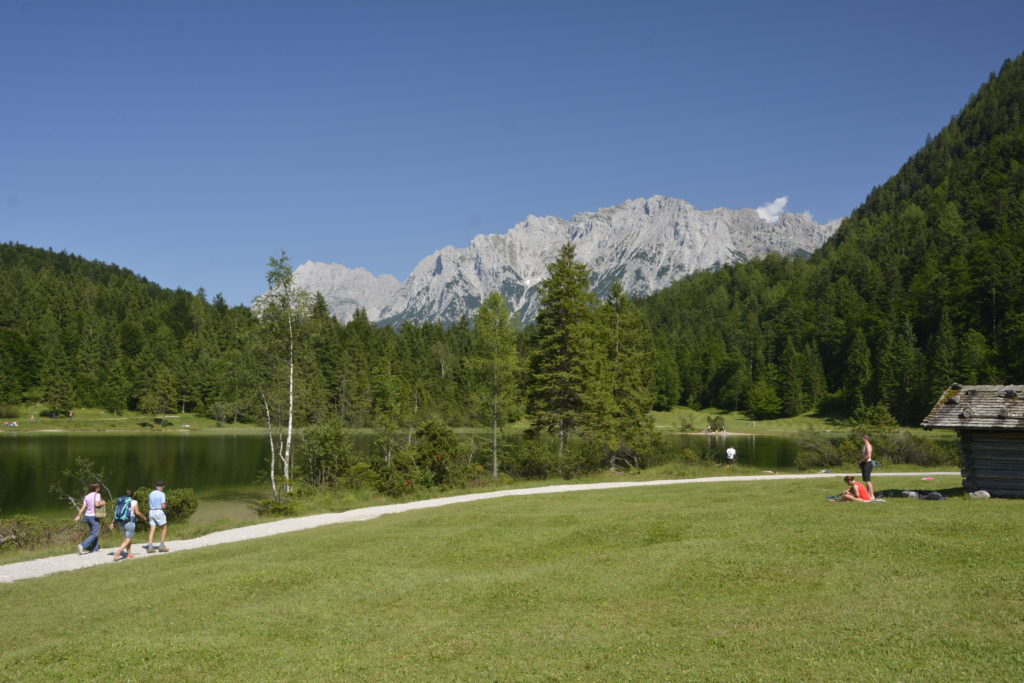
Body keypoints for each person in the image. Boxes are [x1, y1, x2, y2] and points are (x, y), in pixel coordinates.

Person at [109, 489, 145, 561]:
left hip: (121, 522)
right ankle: (118, 553)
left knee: (127, 538)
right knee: (128, 539)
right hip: (130, 522)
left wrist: (113, 522)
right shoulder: (134, 502)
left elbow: (116, 512)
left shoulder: (121, 501)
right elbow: (137, 513)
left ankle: (129, 554)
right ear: (132, 495)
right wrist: (144, 517)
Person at [74, 482, 105, 554]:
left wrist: (79, 515)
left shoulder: (87, 496)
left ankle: (96, 548)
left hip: (87, 516)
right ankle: (82, 545)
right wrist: (103, 503)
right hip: (94, 516)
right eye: (99, 488)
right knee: (95, 534)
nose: (99, 489)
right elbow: (97, 504)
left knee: (93, 532)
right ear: (96, 488)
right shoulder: (97, 495)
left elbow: (83, 507)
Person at [146, 481, 169, 553]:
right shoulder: (162, 494)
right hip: (158, 511)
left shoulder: (151, 493)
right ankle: (162, 545)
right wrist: (166, 504)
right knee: (164, 527)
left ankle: (150, 547)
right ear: (162, 487)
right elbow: (163, 506)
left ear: (156, 486)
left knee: (152, 529)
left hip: (151, 511)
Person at [858, 435, 875, 500]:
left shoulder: (868, 446)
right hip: (864, 463)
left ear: (865, 439)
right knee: (866, 480)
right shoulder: (864, 446)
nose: (861, 439)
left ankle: (872, 495)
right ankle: (868, 494)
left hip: (868, 463)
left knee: (868, 480)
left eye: (862, 438)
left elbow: (868, 455)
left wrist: (861, 461)